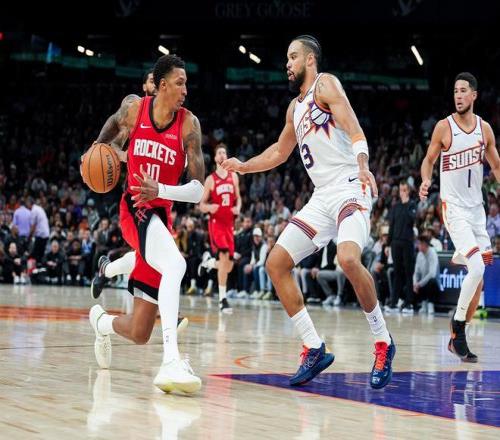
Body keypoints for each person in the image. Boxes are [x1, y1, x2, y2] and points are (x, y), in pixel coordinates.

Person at [222, 35, 395, 388]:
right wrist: (244, 166)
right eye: (287, 58)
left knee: (348, 259)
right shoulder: (294, 108)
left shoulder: (326, 84)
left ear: (310, 59)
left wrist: (363, 165)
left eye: (293, 57)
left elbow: (354, 127)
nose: (287, 64)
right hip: (321, 197)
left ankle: (383, 341)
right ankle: (314, 346)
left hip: (350, 185)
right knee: (275, 264)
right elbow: (278, 152)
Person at [86, 54, 205, 393]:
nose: (185, 90)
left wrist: (161, 190)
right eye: (180, 83)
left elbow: (197, 190)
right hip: (134, 207)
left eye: (186, 83)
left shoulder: (188, 124)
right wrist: (95, 149)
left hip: (160, 216)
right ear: (162, 85)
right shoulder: (135, 109)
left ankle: (101, 322)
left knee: (139, 332)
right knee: (176, 264)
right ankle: (171, 361)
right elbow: (111, 126)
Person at [90, 70, 188, 332]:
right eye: (152, 80)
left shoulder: (177, 118)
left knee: (149, 257)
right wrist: (115, 153)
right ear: (147, 85)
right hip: (135, 203)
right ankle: (171, 315)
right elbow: (113, 143)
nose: (157, 85)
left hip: (161, 204)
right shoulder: (135, 110)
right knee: (165, 258)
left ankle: (106, 270)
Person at [420, 72, 500, 362]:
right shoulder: (444, 127)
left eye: (464, 90)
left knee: (478, 279)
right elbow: (428, 160)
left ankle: (458, 338)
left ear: (474, 95)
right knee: (477, 267)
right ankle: (457, 326)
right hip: (453, 208)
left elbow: (496, 165)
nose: (458, 95)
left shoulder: (484, 129)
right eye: (455, 91)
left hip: (476, 210)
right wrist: (426, 180)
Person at [198, 144, 241, 313]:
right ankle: (223, 300)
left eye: (224, 152)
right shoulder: (210, 179)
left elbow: (238, 198)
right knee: (223, 257)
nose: (222, 155)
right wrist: (209, 207)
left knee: (228, 265)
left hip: (229, 224)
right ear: (216, 158)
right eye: (219, 153)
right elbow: (201, 205)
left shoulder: (234, 176)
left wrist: (238, 207)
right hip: (216, 223)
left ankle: (208, 263)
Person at [388, 181, 417, 314]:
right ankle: (394, 302)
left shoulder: (412, 205)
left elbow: (412, 220)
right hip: (395, 243)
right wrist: (387, 245)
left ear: (408, 191)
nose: (402, 192)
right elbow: (391, 226)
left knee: (408, 273)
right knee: (397, 272)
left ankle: (409, 303)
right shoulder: (395, 207)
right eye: (401, 190)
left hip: (407, 243)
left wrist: (406, 203)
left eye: (404, 190)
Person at [413, 235, 440, 315]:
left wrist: (419, 284)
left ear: (425, 244)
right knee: (409, 283)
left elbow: (432, 274)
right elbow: (416, 272)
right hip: (421, 285)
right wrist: (415, 283)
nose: (418, 245)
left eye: (419, 244)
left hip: (433, 285)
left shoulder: (432, 253)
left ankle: (430, 305)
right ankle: (422, 304)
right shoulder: (419, 254)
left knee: (431, 281)